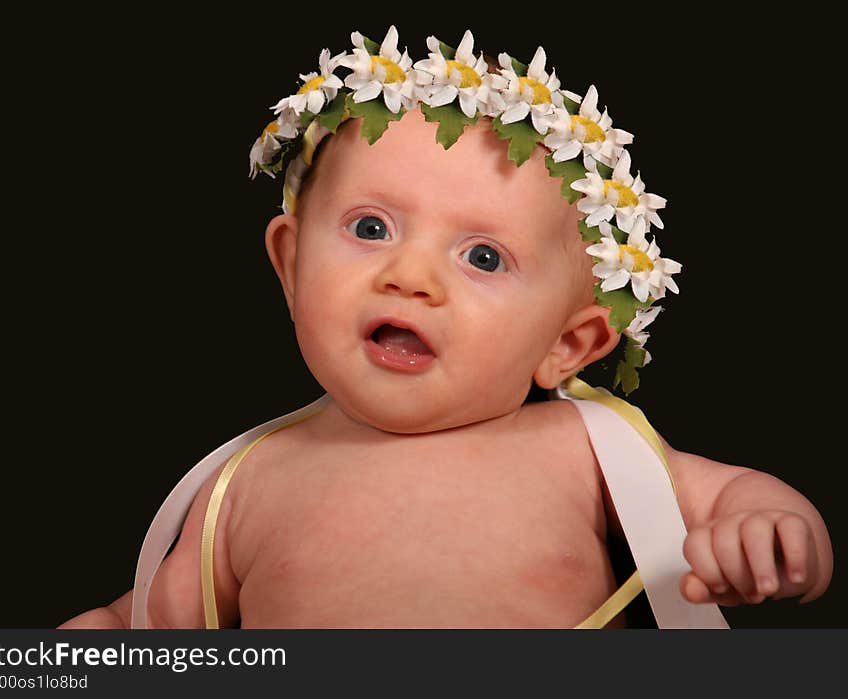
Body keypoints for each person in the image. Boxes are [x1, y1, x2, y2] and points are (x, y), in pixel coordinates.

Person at [59, 27, 832, 629]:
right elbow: (141, 630)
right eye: (370, 227)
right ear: (291, 264)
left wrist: (767, 525)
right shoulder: (251, 482)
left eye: (483, 256)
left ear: (568, 345)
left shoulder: (580, 447)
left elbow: (731, 492)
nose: (410, 276)